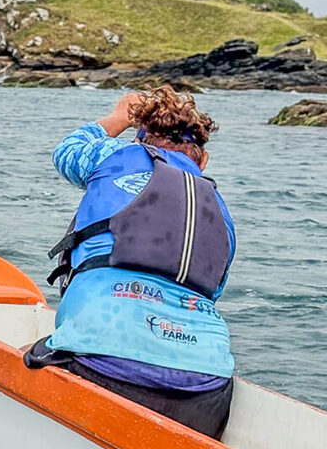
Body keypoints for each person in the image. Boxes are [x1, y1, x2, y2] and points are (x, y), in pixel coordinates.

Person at [24, 87, 236, 440]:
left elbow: (67, 150)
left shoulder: (117, 154)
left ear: (139, 140)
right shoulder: (220, 211)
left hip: (101, 364)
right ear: (203, 161)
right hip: (207, 387)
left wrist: (118, 117)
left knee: (27, 355)